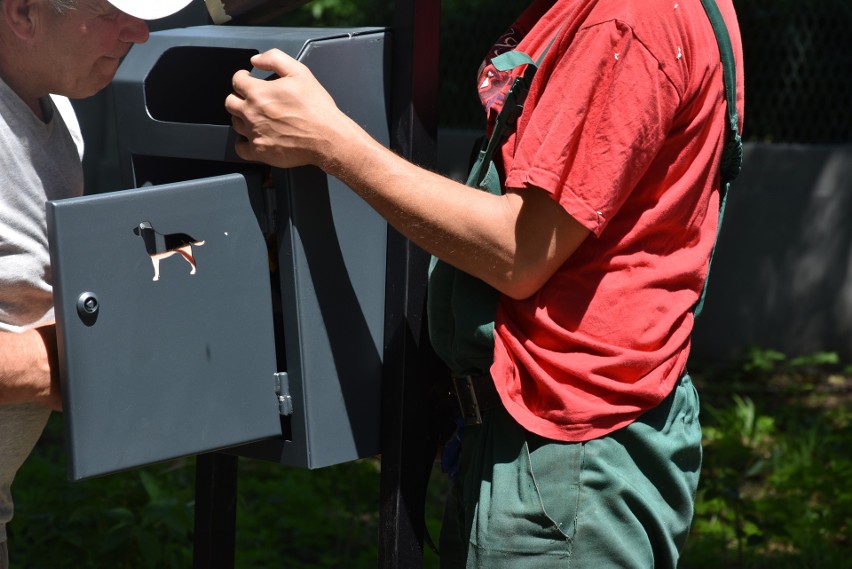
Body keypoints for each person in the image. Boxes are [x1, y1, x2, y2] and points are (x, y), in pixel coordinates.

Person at [226, 0, 744, 566]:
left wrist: (330, 142)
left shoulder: (624, 19)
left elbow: (520, 251)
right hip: (545, 437)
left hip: (566, 461)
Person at [0, 0, 191, 566]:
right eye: (112, 12)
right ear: (23, 12)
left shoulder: (59, 112)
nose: (140, 33)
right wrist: (73, 364)